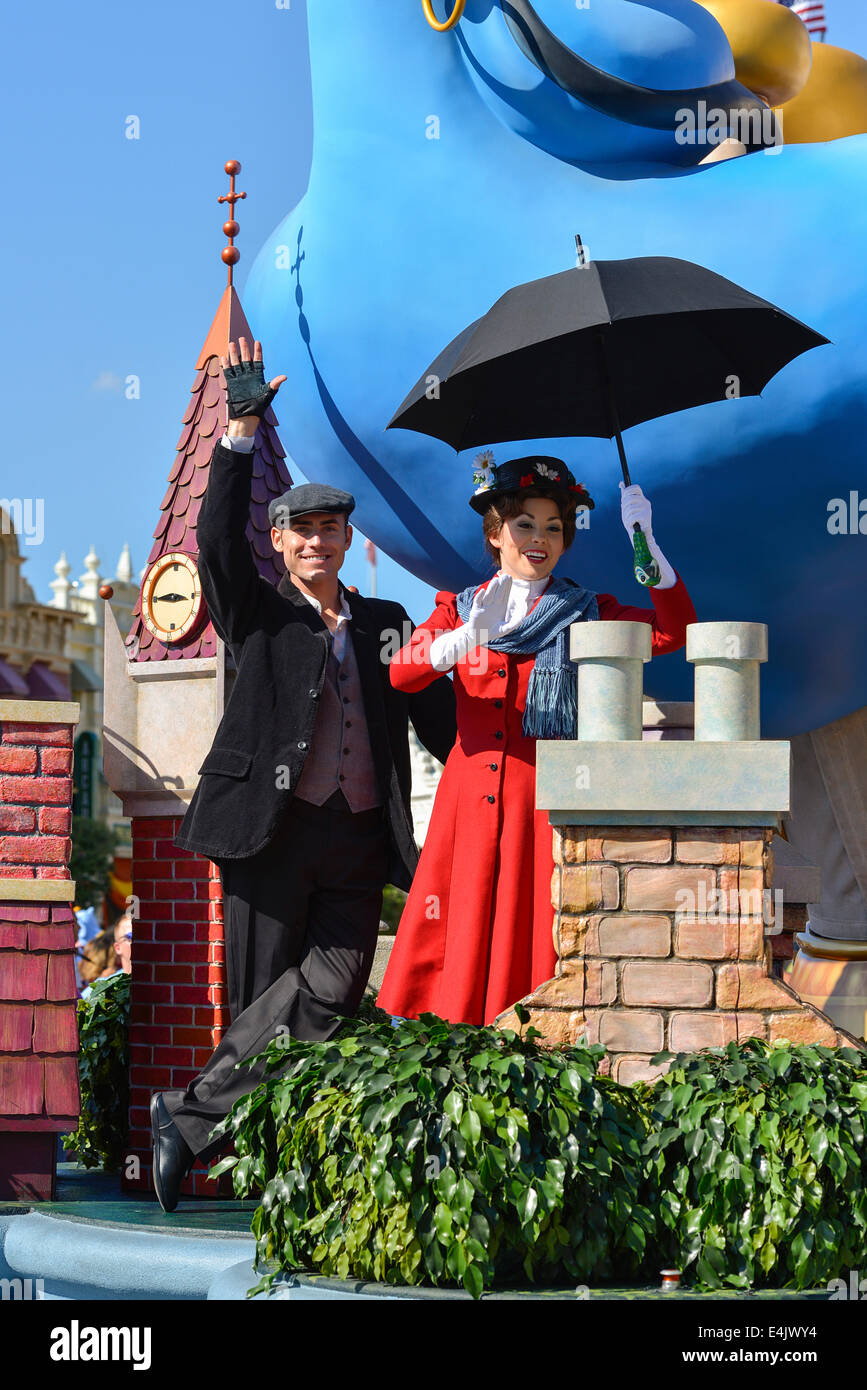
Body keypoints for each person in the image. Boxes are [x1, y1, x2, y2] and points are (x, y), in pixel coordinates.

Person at [150, 337, 456, 1211]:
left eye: (330, 527)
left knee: (332, 989)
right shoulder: (257, 611)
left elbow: (439, 721)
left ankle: (187, 1112)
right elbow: (214, 539)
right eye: (301, 529)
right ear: (279, 543)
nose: (317, 540)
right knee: (259, 997)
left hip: (358, 833)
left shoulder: (387, 621)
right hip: (268, 831)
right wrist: (240, 430)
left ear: (344, 537)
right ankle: (260, 1172)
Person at [376, 452, 697, 1026]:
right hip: (466, 806)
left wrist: (647, 542)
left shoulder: (586, 611)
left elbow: (675, 630)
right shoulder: (459, 608)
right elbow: (402, 672)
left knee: (534, 932)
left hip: (542, 802)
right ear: (496, 532)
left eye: (554, 527)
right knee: (456, 931)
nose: (539, 538)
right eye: (524, 524)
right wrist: (464, 638)